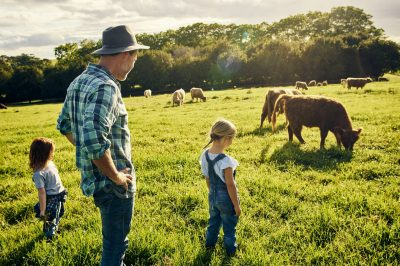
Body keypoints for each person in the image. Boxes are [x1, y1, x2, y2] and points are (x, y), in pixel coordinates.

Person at [56, 25, 149, 266]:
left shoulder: (79, 81)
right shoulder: (106, 87)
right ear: (125, 54)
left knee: (113, 242)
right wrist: (116, 175)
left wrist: (89, 155)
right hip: (113, 185)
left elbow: (64, 124)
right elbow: (93, 138)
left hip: (95, 181)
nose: (134, 64)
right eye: (135, 58)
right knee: (116, 246)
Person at [199, 118, 241, 256]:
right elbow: (230, 184)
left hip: (212, 196)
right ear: (225, 139)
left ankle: (209, 246)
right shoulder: (226, 161)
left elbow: (207, 177)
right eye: (232, 138)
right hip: (226, 199)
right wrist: (236, 205)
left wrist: (212, 194)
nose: (232, 142)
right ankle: (230, 252)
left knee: (213, 222)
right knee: (229, 227)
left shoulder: (205, 155)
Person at [29, 137, 67, 240]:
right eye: (51, 152)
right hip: (51, 197)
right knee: (51, 217)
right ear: (43, 154)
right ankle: (50, 237)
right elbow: (41, 193)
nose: (52, 154)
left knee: (60, 212)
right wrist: (42, 210)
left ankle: (54, 227)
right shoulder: (39, 173)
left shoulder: (49, 163)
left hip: (60, 194)